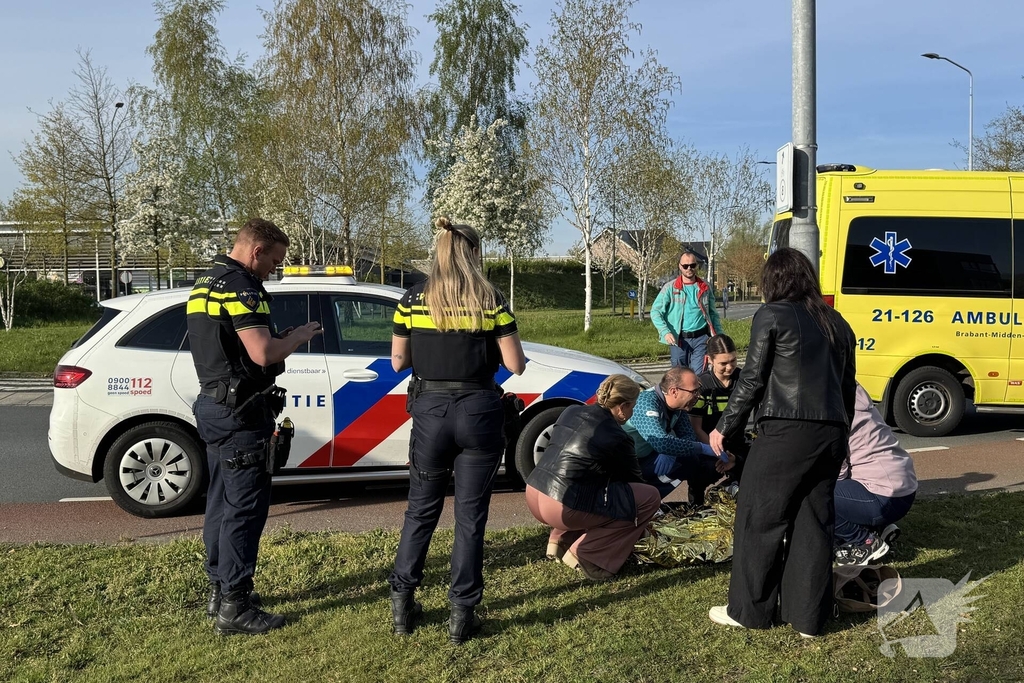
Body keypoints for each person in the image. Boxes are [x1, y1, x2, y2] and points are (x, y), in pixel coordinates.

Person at [387, 216, 526, 645]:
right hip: (480, 411)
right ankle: (462, 612)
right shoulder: (491, 298)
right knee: (470, 516)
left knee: (420, 510)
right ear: (474, 253)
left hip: (430, 410)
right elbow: (516, 365)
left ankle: (402, 602)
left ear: (439, 251)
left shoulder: (412, 299)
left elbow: (397, 362)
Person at [708, 247, 857, 638]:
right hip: (832, 431)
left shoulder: (771, 315)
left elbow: (752, 379)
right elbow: (847, 390)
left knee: (759, 517)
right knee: (814, 523)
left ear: (773, 281)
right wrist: (843, 438)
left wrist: (724, 426)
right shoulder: (838, 324)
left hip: (787, 430)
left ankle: (749, 612)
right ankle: (808, 619)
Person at [188, 218, 322, 635]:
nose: (274, 270)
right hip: (242, 413)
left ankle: (219, 588)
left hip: (213, 405)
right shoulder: (243, 287)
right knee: (244, 511)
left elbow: (230, 347)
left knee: (220, 503)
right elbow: (263, 353)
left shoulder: (205, 282)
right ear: (256, 250)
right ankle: (235, 606)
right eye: (274, 260)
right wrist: (296, 337)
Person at [525, 375, 662, 581]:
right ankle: (589, 555)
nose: (632, 412)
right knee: (648, 498)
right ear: (623, 406)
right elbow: (634, 482)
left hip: (534, 492)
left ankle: (560, 540)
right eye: (632, 407)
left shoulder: (570, 411)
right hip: (561, 506)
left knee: (588, 485)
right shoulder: (619, 436)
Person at [833, 383, 918, 566]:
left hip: (883, 494)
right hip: (903, 488)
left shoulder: (832, 400)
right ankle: (879, 528)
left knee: (817, 497)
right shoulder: (851, 388)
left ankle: (863, 541)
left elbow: (837, 466)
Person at [623, 366, 724, 503]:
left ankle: (653, 501)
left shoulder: (678, 406)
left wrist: (672, 451)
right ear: (674, 391)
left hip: (646, 457)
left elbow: (688, 435)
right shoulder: (646, 403)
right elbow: (662, 443)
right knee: (689, 458)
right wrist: (703, 448)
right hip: (625, 465)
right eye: (694, 391)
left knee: (692, 461)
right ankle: (638, 504)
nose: (698, 395)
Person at [651, 248, 724, 372]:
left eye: (692, 265)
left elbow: (713, 313)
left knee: (699, 377)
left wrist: (719, 335)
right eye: (685, 266)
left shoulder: (705, 287)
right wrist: (665, 332)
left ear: (696, 266)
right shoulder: (670, 288)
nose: (689, 268)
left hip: (702, 339)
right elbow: (655, 312)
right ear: (680, 267)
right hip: (678, 340)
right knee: (681, 377)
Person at [689, 334, 746, 478]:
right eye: (723, 364)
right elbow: (697, 428)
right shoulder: (702, 385)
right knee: (702, 473)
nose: (729, 367)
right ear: (710, 360)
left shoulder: (745, 380)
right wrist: (719, 454)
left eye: (733, 361)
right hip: (708, 445)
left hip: (738, 443)